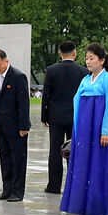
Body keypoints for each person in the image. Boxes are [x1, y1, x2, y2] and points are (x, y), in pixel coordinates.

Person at [60, 43, 108, 215]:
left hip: (99, 128)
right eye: (86, 58)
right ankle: (78, 205)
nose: (88, 62)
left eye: (92, 58)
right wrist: (77, 128)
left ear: (102, 60)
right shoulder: (85, 80)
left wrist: (106, 130)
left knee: (98, 164)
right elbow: (77, 102)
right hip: (84, 130)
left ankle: (95, 207)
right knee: (82, 164)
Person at [41, 41, 88, 194]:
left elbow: (46, 95)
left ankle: (54, 186)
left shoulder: (52, 70)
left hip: (56, 116)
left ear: (60, 53)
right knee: (73, 150)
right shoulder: (83, 72)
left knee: (55, 151)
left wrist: (44, 116)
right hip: (76, 116)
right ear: (74, 53)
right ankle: (73, 185)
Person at [0, 49, 30, 201]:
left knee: (18, 159)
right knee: (5, 158)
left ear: (6, 61)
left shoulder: (18, 77)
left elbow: (24, 104)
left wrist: (24, 126)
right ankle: (6, 189)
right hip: (2, 126)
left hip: (17, 126)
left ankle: (17, 192)